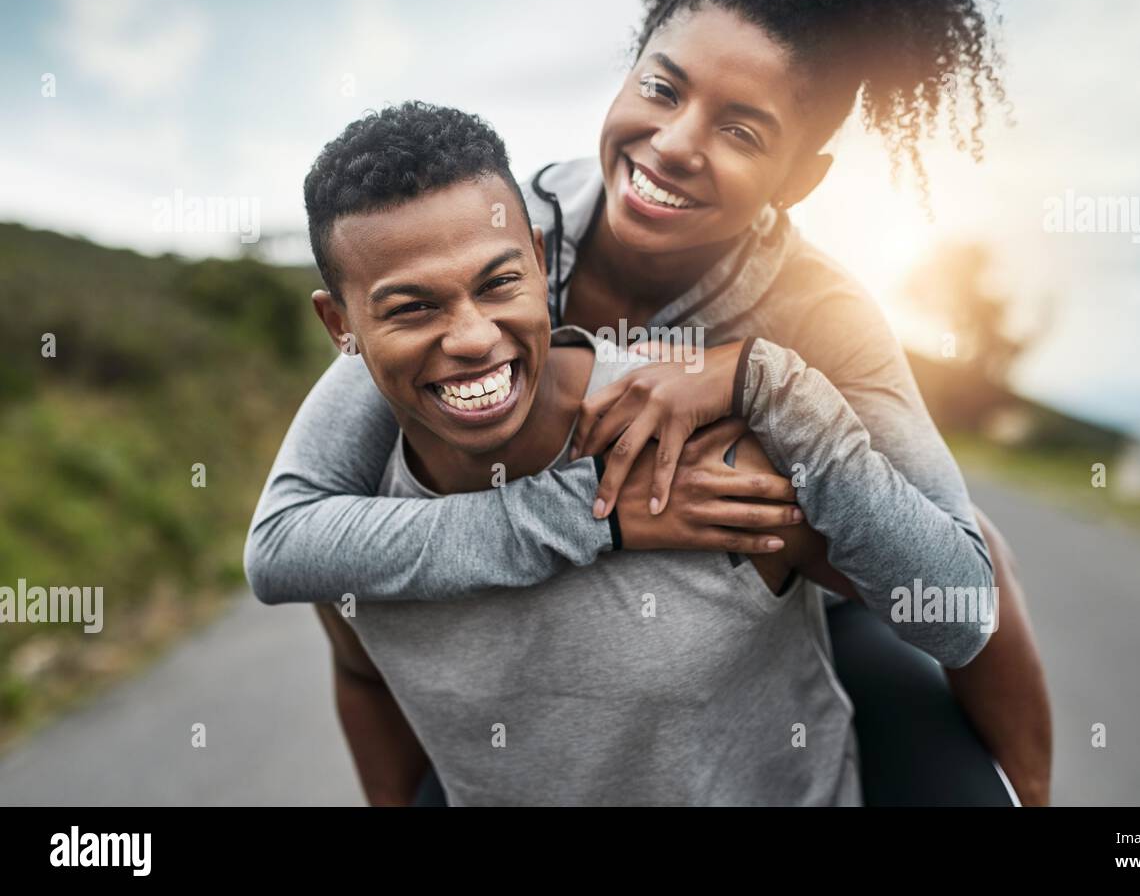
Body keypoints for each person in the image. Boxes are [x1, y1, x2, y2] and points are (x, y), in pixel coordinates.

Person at [246, 0, 1051, 805]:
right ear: (630, 69)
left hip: (807, 600)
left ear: (802, 176)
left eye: (742, 130)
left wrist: (753, 377)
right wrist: (600, 513)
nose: (672, 144)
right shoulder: (504, 244)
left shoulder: (818, 316)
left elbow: (963, 590)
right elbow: (293, 534)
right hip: (559, 643)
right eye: (662, 88)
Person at [297, 101, 992, 805]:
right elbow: (362, 678)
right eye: (412, 307)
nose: (473, 337)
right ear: (340, 326)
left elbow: (955, 613)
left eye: (498, 282)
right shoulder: (350, 538)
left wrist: (780, 388)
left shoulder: (713, 459)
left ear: (540, 262)